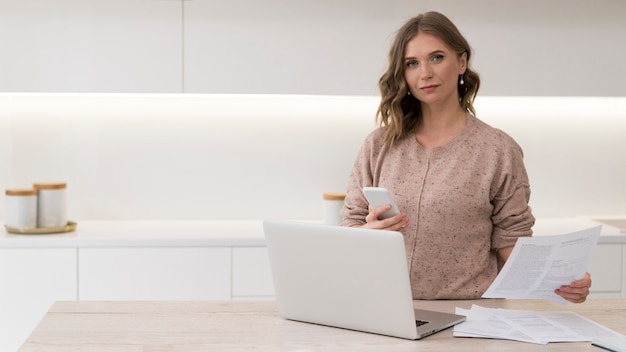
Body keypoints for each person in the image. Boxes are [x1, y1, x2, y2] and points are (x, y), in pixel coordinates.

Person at [340, 11, 591, 303]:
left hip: (470, 316)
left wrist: (559, 281)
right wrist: (366, 234)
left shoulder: (497, 149)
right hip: (384, 307)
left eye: (436, 57)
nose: (425, 73)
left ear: (461, 62)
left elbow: (512, 242)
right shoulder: (378, 145)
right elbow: (351, 227)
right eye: (412, 63)